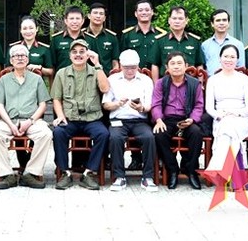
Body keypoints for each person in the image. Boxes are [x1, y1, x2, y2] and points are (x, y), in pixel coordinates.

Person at [0, 44, 52, 190]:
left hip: (31, 120)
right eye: (16, 56)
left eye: (23, 55)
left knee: (46, 133)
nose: (19, 58)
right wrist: (10, 124)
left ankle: (30, 173)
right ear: (11, 60)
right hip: (8, 120)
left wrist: (30, 122)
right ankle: (7, 174)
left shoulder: (36, 79)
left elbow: (42, 104)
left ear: (28, 59)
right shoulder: (4, 80)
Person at [51, 39, 110, 190]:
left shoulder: (95, 71)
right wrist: (60, 116)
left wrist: (97, 64)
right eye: (74, 52)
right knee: (58, 132)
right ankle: (65, 173)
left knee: (103, 134)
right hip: (70, 118)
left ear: (87, 54)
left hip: (92, 118)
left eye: (82, 52)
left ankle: (89, 172)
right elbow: (56, 98)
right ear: (70, 55)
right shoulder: (62, 73)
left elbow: (105, 89)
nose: (78, 55)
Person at [102, 49, 157, 192]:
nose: (130, 71)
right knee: (115, 138)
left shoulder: (146, 80)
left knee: (148, 137)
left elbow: (150, 105)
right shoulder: (112, 80)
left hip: (139, 120)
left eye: (133, 67)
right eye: (126, 67)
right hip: (118, 119)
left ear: (138, 66)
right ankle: (119, 176)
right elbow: (106, 104)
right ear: (120, 66)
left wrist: (141, 108)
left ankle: (148, 177)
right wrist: (117, 104)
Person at [151, 51, 205, 190]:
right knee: (159, 134)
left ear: (186, 66)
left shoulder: (194, 83)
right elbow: (156, 104)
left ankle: (191, 170)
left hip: (187, 119)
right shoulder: (160, 83)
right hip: (167, 119)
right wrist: (158, 119)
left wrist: (192, 119)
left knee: (196, 133)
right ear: (166, 68)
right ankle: (172, 170)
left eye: (179, 63)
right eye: (172, 64)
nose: (176, 67)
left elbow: (199, 105)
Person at [204, 44, 248, 177]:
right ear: (220, 58)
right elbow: (209, 107)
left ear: (237, 60)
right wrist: (219, 115)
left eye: (232, 57)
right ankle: (233, 174)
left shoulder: (244, 79)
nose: (229, 59)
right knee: (227, 128)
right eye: (226, 56)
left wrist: (236, 113)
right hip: (221, 117)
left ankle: (217, 166)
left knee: (229, 127)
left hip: (241, 118)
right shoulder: (213, 80)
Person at [151, 5, 203, 82]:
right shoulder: (160, 41)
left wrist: (200, 84)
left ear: (186, 20)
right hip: (166, 83)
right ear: (169, 20)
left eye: (180, 18)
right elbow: (155, 65)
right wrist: (156, 86)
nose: (177, 21)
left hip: (190, 84)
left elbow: (199, 65)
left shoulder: (195, 41)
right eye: (174, 18)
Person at [120, 0, 160, 72]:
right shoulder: (127, 35)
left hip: (156, 76)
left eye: (147, 10)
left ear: (152, 12)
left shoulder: (160, 34)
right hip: (133, 76)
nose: (144, 13)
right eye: (140, 10)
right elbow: (122, 58)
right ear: (136, 13)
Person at [201, 9, 245, 76]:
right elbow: (203, 68)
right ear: (212, 24)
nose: (221, 23)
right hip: (211, 82)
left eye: (224, 20)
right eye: (218, 20)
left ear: (228, 23)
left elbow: (241, 68)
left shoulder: (238, 44)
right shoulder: (205, 45)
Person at [9, 16, 53, 80]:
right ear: (20, 30)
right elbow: (7, 69)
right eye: (24, 28)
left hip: (37, 86)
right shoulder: (13, 48)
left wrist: (39, 68)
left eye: (31, 28)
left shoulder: (44, 49)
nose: (28, 31)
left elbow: (51, 71)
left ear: (37, 29)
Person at [50, 6, 89, 71]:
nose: (74, 21)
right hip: (62, 79)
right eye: (71, 18)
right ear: (66, 21)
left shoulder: (90, 39)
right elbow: (52, 65)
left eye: (77, 18)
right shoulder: (56, 39)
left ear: (82, 21)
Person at [85, 2, 120, 72]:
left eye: (101, 14)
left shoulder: (112, 37)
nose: (98, 16)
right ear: (89, 16)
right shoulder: (81, 35)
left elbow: (115, 61)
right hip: (86, 78)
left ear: (104, 18)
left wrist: (114, 75)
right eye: (95, 13)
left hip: (106, 77)